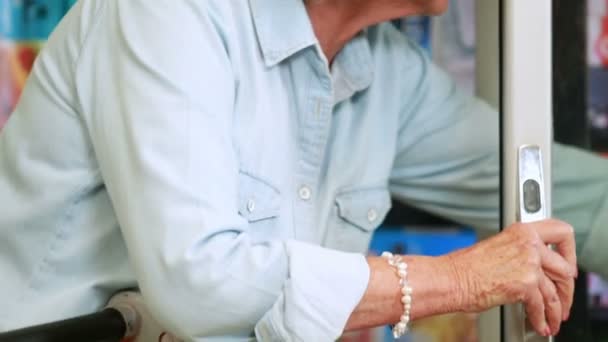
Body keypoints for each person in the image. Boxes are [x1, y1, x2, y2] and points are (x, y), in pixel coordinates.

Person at [0, 0, 605, 340]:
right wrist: (458, 280)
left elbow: (566, 194)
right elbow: (199, 282)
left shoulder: (388, 73)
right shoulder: (168, 14)